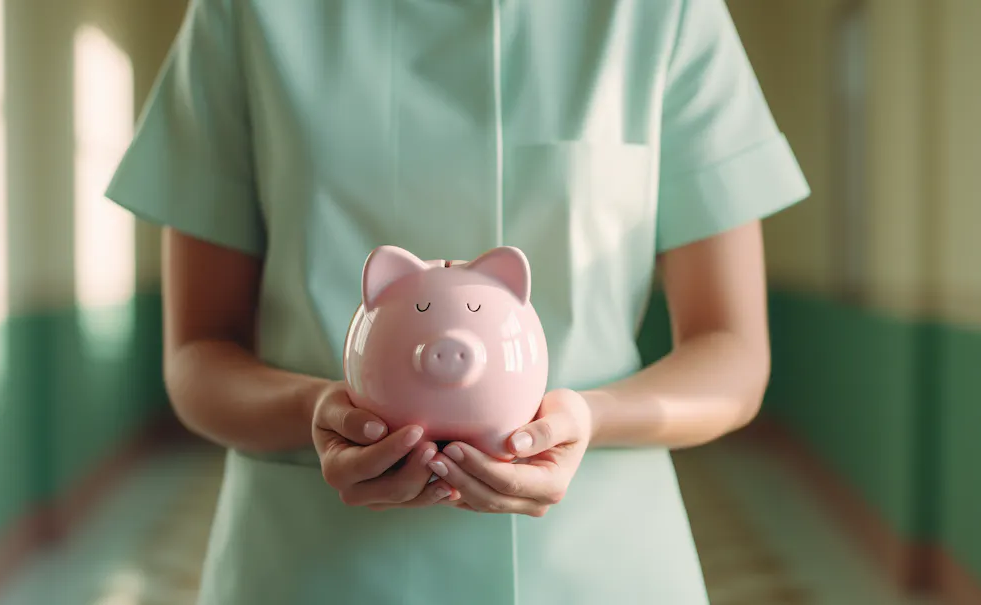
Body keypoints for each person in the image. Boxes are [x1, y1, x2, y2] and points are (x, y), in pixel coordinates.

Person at [105, 0, 809, 602]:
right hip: (312, 560)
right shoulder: (247, 13)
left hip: (593, 558)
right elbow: (197, 355)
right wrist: (314, 410)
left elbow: (732, 352)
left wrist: (589, 417)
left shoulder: (660, 11)